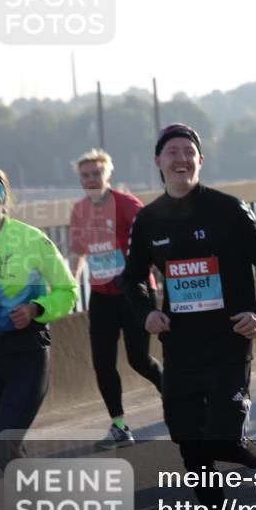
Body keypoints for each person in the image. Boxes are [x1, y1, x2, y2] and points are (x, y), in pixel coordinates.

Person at [121, 123, 256, 510]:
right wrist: (147, 312)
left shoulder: (228, 209)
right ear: (158, 162)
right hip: (180, 348)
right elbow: (131, 278)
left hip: (229, 342)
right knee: (189, 441)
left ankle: (255, 459)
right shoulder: (148, 220)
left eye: (189, 152)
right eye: (172, 151)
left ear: (200, 161)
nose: (181, 158)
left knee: (223, 439)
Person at [0, 164, 77, 469]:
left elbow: (68, 291)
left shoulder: (32, 240)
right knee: (4, 451)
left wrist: (35, 309)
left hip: (26, 354)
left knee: (5, 444)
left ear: (0, 195)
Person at [68, 149, 163, 449]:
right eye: (85, 175)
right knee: (103, 363)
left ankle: (177, 398)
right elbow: (78, 251)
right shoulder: (79, 210)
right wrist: (71, 283)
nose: (91, 179)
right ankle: (119, 427)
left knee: (139, 359)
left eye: (96, 174)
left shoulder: (125, 204)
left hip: (133, 292)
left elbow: (152, 237)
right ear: (80, 179)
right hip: (101, 295)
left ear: (108, 175)